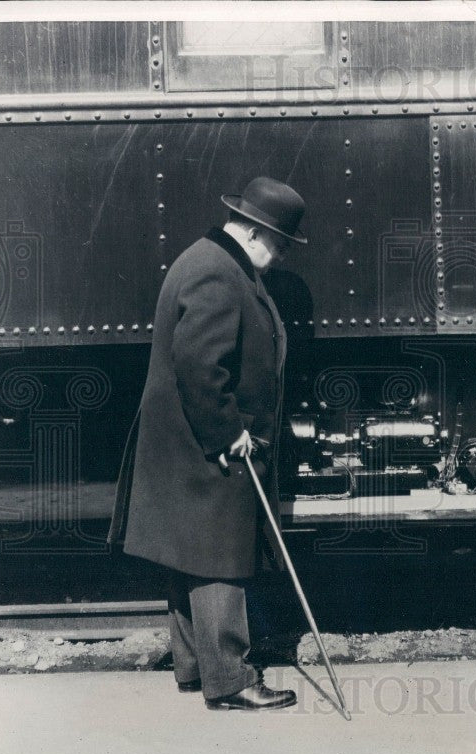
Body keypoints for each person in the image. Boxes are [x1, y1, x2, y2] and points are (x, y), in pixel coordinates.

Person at [108, 176, 307, 711]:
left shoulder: (206, 260)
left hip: (186, 439)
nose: (283, 254)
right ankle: (232, 679)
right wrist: (227, 432)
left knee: (189, 551)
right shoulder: (218, 272)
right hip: (208, 438)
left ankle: (196, 669)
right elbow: (200, 363)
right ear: (253, 230)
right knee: (221, 552)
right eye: (281, 242)